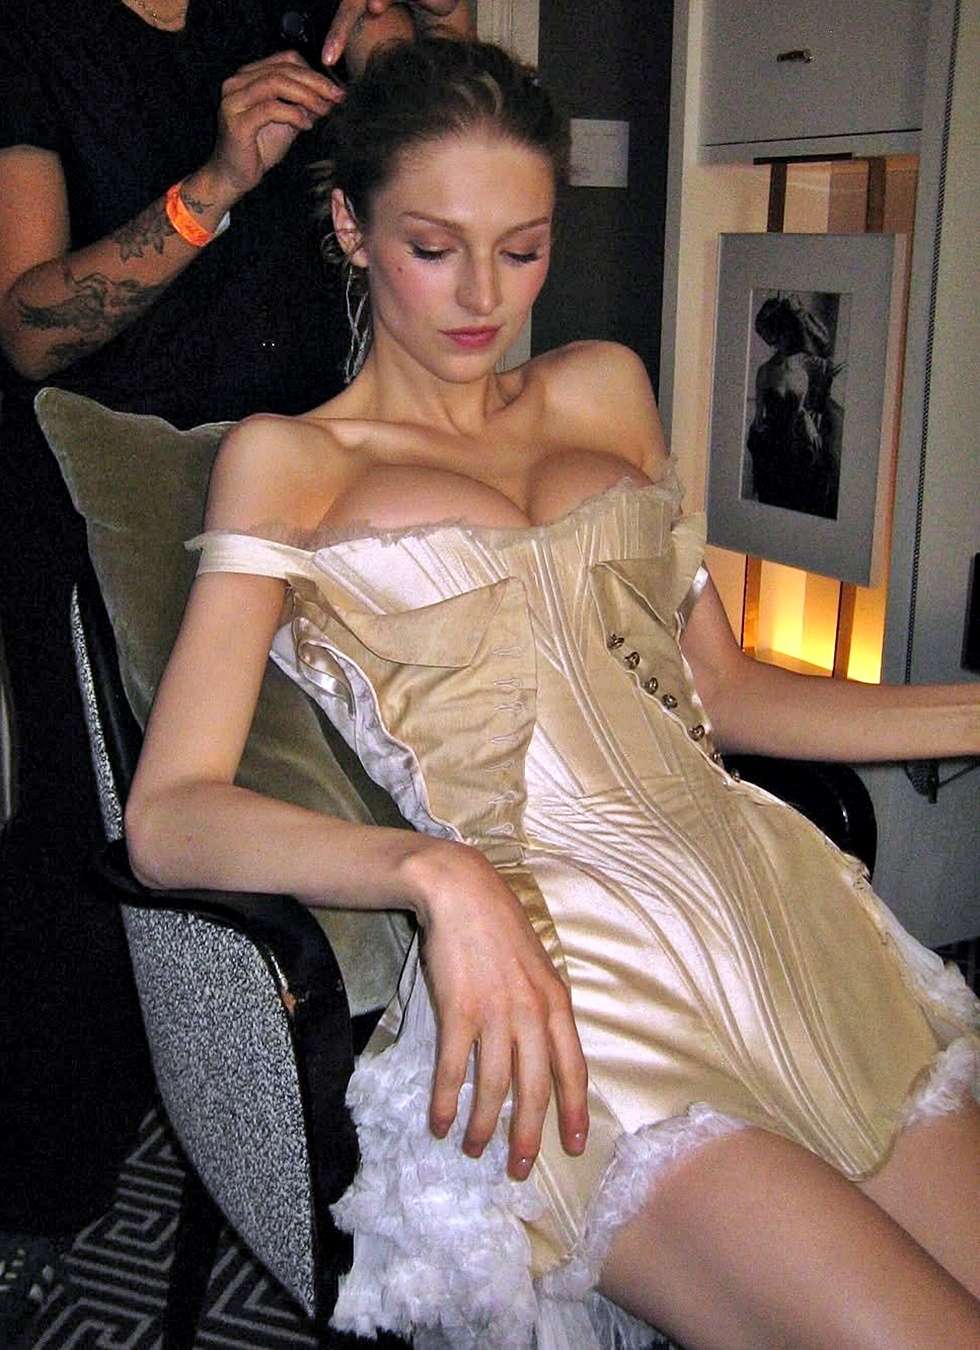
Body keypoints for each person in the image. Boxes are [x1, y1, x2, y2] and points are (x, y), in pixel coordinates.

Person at [125, 37, 980, 1350]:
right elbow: (170, 812)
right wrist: (437, 875)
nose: (485, 296)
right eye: (435, 247)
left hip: (772, 911)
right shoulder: (285, 462)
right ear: (351, 227)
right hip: (566, 980)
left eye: (522, 249)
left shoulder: (606, 386)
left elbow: (726, 692)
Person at [0, 0, 472, 1324]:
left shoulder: (282, 11)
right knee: (94, 844)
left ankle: (323, 1113)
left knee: (335, 786)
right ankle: (43, 1192)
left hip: (294, 484)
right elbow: (27, 328)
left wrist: (401, 51)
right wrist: (212, 182)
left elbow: (443, 150)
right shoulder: (32, 37)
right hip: (101, 500)